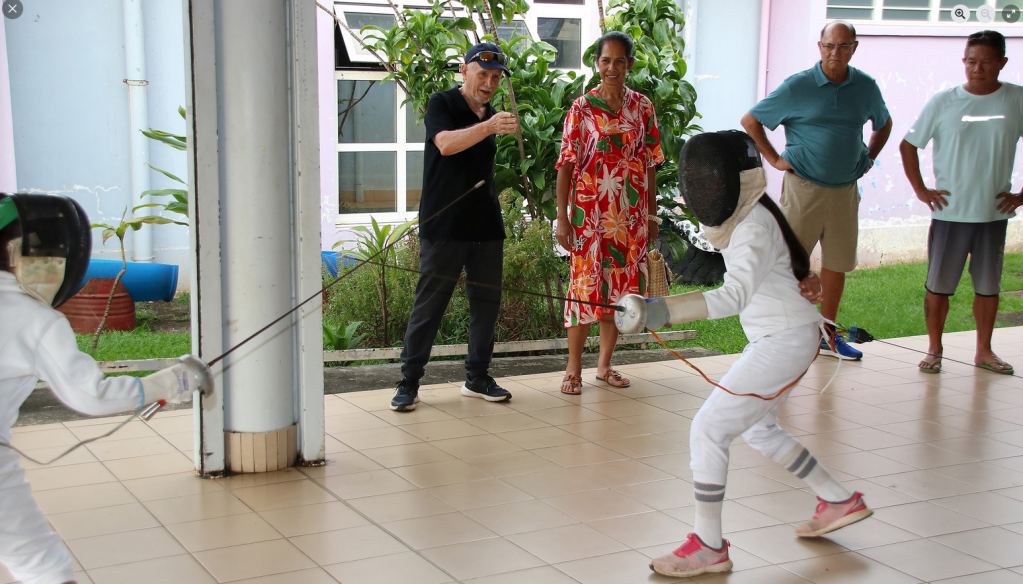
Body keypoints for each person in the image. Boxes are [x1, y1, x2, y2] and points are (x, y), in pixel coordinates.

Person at [616, 132, 870, 579]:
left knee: (709, 429)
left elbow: (733, 297)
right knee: (760, 431)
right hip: (782, 337)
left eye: (710, 181)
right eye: (698, 182)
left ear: (736, 181)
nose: (704, 191)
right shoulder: (751, 216)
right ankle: (837, 499)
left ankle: (709, 546)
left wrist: (661, 311)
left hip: (785, 340)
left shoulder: (752, 225)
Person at [0, 193, 210, 584]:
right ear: (20, 254)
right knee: (42, 564)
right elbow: (89, 396)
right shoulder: (32, 318)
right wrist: (176, 380)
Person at [741, 20, 892, 361]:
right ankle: (786, 335)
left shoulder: (865, 87)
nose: (835, 53)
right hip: (803, 189)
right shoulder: (799, 86)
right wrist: (775, 158)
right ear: (819, 46)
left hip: (844, 191)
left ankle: (827, 334)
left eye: (842, 46)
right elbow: (751, 120)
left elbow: (884, 124)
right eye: (829, 46)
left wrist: (869, 157)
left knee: (836, 266)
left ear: (854, 47)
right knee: (790, 263)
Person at [390, 43, 519, 411]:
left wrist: (489, 122)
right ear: (465, 71)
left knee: (486, 304)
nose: (489, 83)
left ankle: (477, 377)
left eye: (495, 78)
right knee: (429, 305)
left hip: (485, 224)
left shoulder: (490, 112)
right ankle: (409, 381)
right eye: (483, 75)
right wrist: (489, 126)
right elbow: (445, 144)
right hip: (444, 223)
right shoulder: (442, 103)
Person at [900, 30, 1023, 375]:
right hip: (950, 213)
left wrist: (1021, 196)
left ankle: (984, 351)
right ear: (964, 62)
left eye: (986, 62)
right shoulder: (944, 102)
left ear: (1002, 63)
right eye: (971, 61)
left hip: (993, 213)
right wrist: (923, 191)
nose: (977, 68)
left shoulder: (1017, 99)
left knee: (988, 288)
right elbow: (909, 145)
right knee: (939, 286)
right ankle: (934, 349)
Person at [554, 31, 664, 395]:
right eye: (605, 60)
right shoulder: (581, 109)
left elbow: (650, 164)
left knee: (618, 290)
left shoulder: (643, 107)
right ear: (596, 64)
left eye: (619, 61)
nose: (612, 68)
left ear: (629, 64)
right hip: (589, 215)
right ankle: (573, 370)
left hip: (628, 217)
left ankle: (603, 366)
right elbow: (566, 166)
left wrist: (650, 215)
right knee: (584, 288)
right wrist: (563, 218)